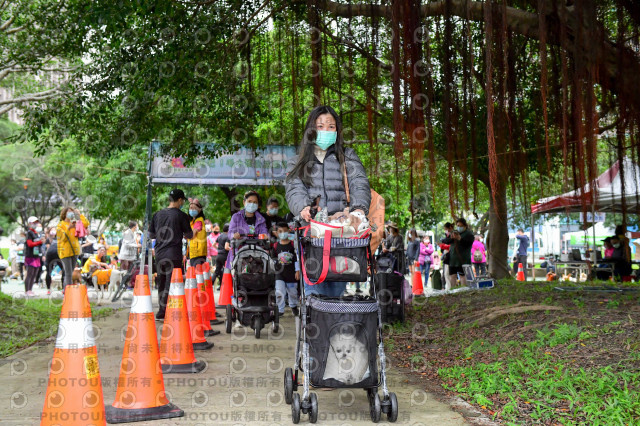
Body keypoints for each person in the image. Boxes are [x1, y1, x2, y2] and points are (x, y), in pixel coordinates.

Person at [285, 105, 371, 297]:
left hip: (342, 234)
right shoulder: (297, 161)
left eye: (331, 126)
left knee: (337, 288)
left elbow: (359, 183)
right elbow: (294, 189)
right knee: (314, 290)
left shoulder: (347, 156)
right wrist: (303, 207)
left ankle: (335, 314)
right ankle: (314, 314)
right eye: (320, 126)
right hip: (312, 234)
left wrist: (358, 209)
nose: (326, 130)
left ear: (337, 130)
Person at [148, 188, 194, 321]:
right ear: (179, 200)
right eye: (183, 201)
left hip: (159, 254)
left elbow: (151, 235)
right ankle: (168, 312)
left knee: (161, 282)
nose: (183, 203)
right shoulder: (181, 215)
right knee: (172, 283)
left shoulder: (157, 214)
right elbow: (189, 235)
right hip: (173, 254)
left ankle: (161, 311)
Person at [227, 191, 269, 268]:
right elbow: (230, 233)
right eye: (249, 201)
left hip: (256, 253)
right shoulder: (236, 217)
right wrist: (234, 235)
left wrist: (266, 236)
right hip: (239, 252)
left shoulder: (261, 219)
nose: (252, 204)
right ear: (244, 202)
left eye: (255, 202)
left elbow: (265, 233)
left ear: (258, 205)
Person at [56, 207, 90, 290]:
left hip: (75, 251)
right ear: (64, 214)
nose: (71, 213)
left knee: (70, 273)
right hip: (65, 252)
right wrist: (69, 228)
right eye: (69, 212)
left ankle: (66, 290)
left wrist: (79, 215)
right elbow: (62, 238)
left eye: (72, 212)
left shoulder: (75, 223)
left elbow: (86, 224)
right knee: (68, 273)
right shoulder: (60, 225)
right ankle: (69, 291)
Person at [272, 222, 300, 317]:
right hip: (279, 273)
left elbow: (297, 258)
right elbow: (273, 258)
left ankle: (293, 306)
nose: (283, 233)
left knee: (293, 292)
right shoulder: (275, 246)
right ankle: (280, 309)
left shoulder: (293, 245)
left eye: (285, 231)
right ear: (276, 233)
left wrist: (297, 271)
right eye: (280, 231)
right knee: (279, 292)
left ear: (288, 231)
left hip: (291, 273)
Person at [448, 218, 474, 288]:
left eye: (460, 226)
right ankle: (452, 290)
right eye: (458, 226)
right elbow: (448, 241)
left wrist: (460, 239)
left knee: (463, 276)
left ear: (465, 225)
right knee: (452, 276)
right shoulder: (455, 233)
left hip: (463, 259)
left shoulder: (469, 234)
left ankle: (463, 290)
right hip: (453, 260)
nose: (459, 227)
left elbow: (468, 244)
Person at [24, 217, 44, 296]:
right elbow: (30, 244)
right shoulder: (29, 233)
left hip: (36, 255)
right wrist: (39, 242)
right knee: (30, 273)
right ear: (30, 223)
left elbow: (38, 244)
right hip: (30, 256)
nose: (36, 224)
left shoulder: (36, 233)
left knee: (35, 273)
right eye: (34, 222)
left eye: (36, 222)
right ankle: (27, 290)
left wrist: (41, 242)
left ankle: (30, 290)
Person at [187, 198, 208, 267]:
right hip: (195, 252)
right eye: (190, 208)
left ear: (199, 210)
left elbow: (192, 235)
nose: (191, 210)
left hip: (197, 253)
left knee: (197, 272)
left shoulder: (198, 221)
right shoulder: (193, 222)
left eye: (194, 208)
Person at [213, 223, 230, 290]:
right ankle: (225, 286)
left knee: (217, 271)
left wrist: (219, 249)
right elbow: (226, 247)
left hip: (218, 255)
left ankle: (211, 284)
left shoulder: (220, 235)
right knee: (226, 271)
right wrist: (232, 249)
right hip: (225, 256)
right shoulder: (228, 237)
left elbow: (213, 244)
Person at [440, 223, 455, 289]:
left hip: (451, 256)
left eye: (446, 229)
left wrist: (443, 245)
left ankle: (450, 288)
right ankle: (448, 287)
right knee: (446, 273)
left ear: (450, 228)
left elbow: (451, 245)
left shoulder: (453, 235)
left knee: (448, 273)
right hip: (446, 256)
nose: (445, 230)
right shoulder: (447, 236)